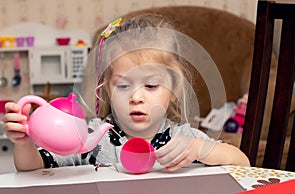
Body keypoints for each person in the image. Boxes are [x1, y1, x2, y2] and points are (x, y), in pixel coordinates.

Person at [3, 14, 250, 172]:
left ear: (173, 90)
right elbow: (32, 168)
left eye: (151, 86)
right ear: (107, 89)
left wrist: (198, 149)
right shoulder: (90, 139)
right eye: (123, 85)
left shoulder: (182, 139)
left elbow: (243, 163)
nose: (136, 97)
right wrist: (24, 144)